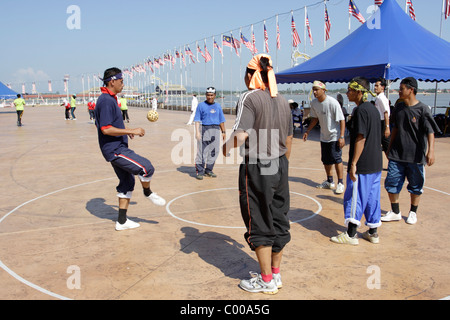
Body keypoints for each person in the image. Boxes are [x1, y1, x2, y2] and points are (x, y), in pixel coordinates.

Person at [223, 54, 293, 294]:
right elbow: (289, 138)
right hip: (280, 164)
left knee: (258, 219)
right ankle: (275, 274)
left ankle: (265, 281)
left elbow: (241, 135)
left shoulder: (249, 98)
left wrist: (224, 147)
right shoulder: (282, 100)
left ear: (248, 76)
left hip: (258, 165)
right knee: (278, 219)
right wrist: (281, 161)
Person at [94, 67, 166, 231]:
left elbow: (112, 124)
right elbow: (105, 129)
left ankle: (122, 221)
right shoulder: (106, 100)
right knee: (146, 168)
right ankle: (148, 193)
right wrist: (131, 131)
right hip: (115, 149)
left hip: (116, 146)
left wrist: (126, 130)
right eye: (121, 81)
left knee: (127, 182)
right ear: (112, 81)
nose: (123, 84)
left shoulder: (110, 98)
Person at [330, 77, 382, 245]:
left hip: (364, 164)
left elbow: (361, 137)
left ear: (359, 92)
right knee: (372, 198)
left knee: (355, 197)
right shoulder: (373, 109)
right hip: (375, 163)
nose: (347, 93)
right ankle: (373, 232)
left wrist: (353, 163)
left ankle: (351, 234)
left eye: (350, 90)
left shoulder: (360, 111)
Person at [381, 77, 439, 225]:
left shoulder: (423, 109)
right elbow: (396, 128)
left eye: (402, 89)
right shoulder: (399, 108)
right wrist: (389, 147)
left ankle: (413, 212)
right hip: (396, 154)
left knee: (415, 186)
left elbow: (430, 132)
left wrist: (430, 152)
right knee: (391, 183)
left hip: (416, 156)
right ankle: (395, 211)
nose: (399, 91)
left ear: (411, 90)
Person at [303, 81, 346, 194]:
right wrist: (307, 131)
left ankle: (340, 183)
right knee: (326, 160)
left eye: (317, 89)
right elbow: (315, 118)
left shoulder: (333, 102)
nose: (315, 92)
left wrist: (341, 136)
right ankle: (329, 181)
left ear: (323, 90)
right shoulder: (314, 103)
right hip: (324, 137)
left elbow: (342, 119)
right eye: (313, 89)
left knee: (337, 159)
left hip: (335, 136)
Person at [194, 87, 226, 180]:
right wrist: (197, 132)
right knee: (202, 152)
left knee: (214, 151)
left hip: (215, 129)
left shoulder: (218, 106)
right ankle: (200, 171)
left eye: (212, 95)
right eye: (208, 95)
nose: (210, 97)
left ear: (215, 95)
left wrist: (223, 131)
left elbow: (221, 120)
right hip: (204, 128)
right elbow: (197, 120)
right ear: (206, 95)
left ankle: (208, 170)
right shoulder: (201, 105)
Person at [374, 78, 391, 157]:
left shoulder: (382, 99)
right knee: (382, 144)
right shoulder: (378, 98)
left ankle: (392, 163)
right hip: (379, 122)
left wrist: (387, 127)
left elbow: (386, 113)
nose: (375, 87)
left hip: (383, 123)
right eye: (375, 85)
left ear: (382, 87)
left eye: (377, 86)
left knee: (386, 144)